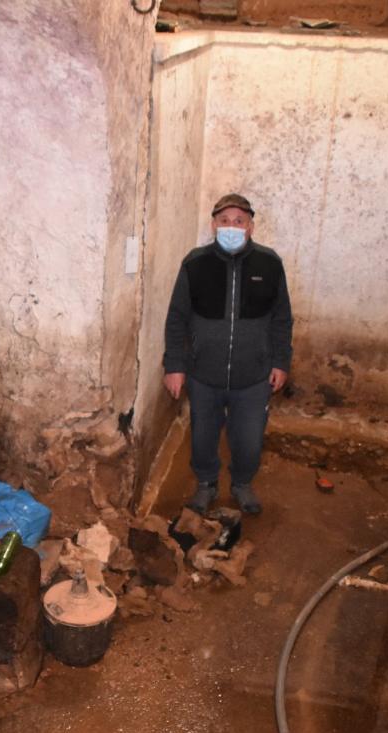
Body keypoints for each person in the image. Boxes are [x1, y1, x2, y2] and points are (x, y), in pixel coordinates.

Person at [162, 193, 293, 515]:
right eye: (224, 220)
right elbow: (177, 317)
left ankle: (242, 484)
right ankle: (206, 484)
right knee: (203, 436)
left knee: (248, 439)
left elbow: (281, 318)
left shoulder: (270, 263)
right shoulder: (195, 263)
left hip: (253, 376)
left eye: (239, 221)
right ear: (214, 225)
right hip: (203, 374)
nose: (231, 226)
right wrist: (174, 365)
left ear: (250, 226)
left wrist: (280, 361)